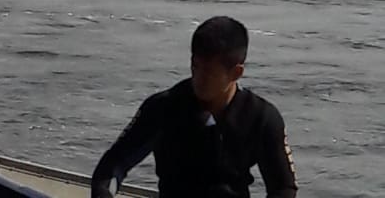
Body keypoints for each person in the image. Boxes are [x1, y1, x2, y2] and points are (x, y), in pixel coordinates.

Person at [91, 16, 297, 198]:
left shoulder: (261, 118)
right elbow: (112, 167)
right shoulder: (163, 108)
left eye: (208, 73)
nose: (198, 78)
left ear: (236, 73)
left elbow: (283, 188)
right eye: (194, 67)